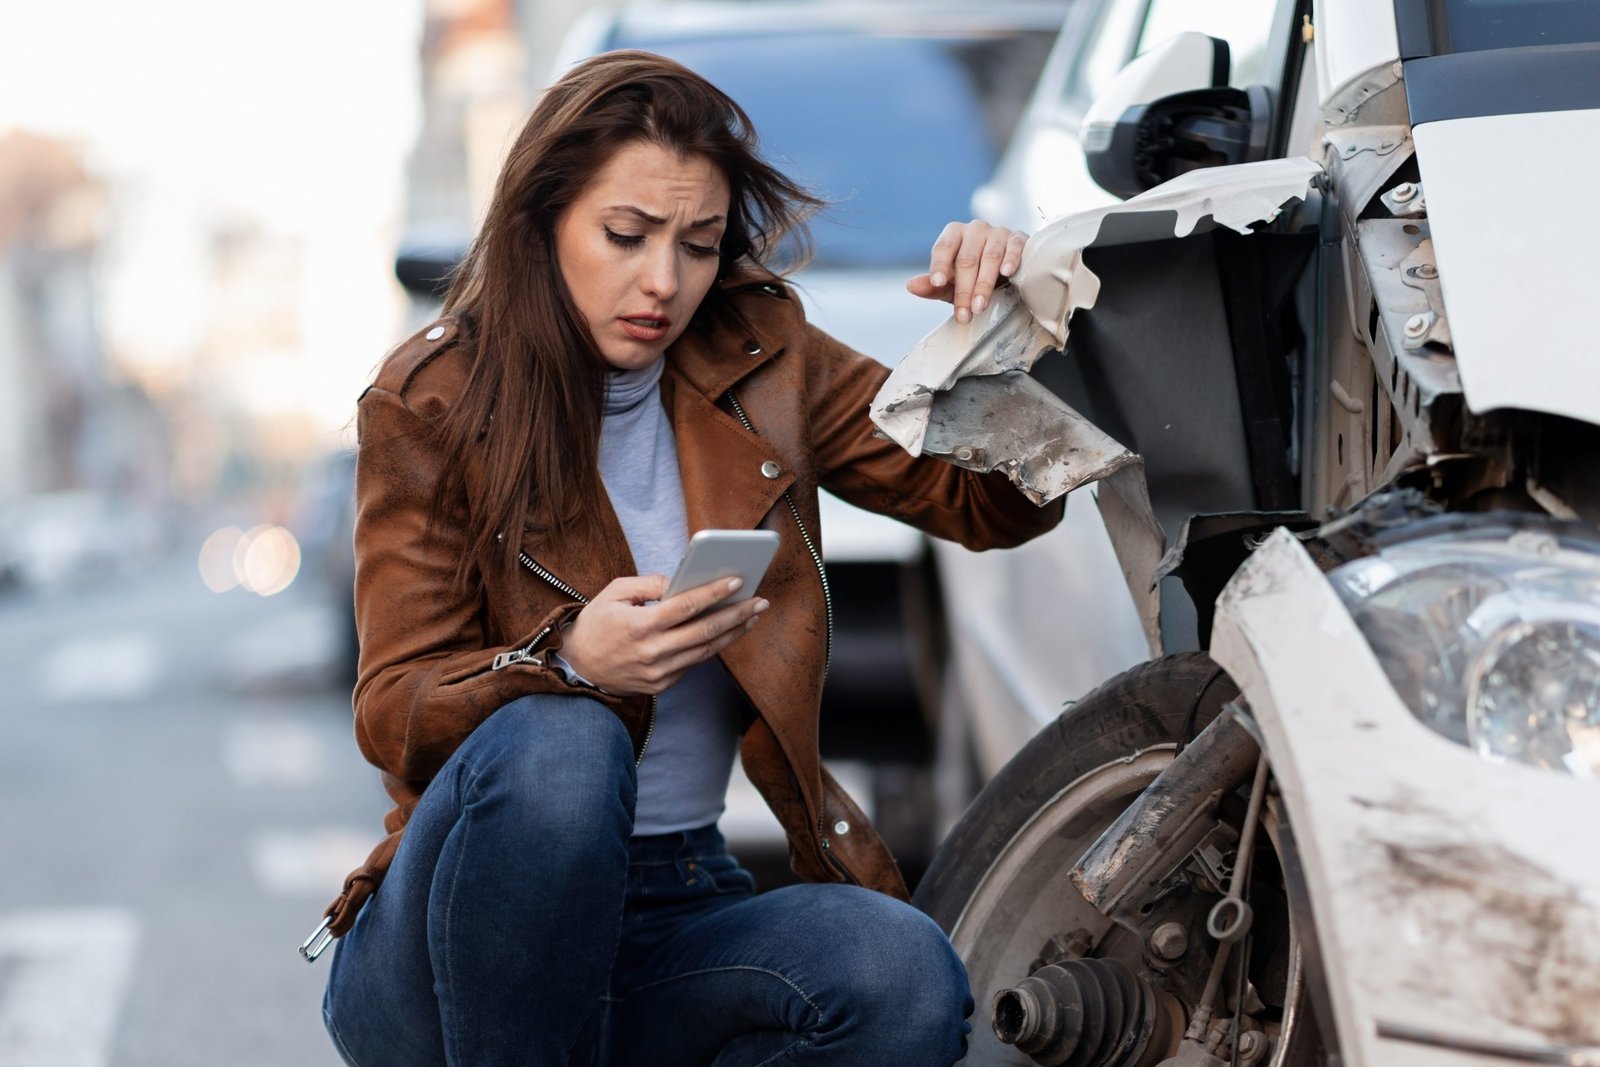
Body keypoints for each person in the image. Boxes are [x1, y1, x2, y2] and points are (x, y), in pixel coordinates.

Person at [316, 50, 1063, 1066]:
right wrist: (574, 659)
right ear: (543, 225)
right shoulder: (433, 396)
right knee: (565, 745)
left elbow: (987, 504)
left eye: (699, 244)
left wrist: (1006, 332)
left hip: (675, 904)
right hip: (453, 944)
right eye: (625, 235)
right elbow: (391, 706)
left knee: (899, 974)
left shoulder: (761, 353)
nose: (662, 281)